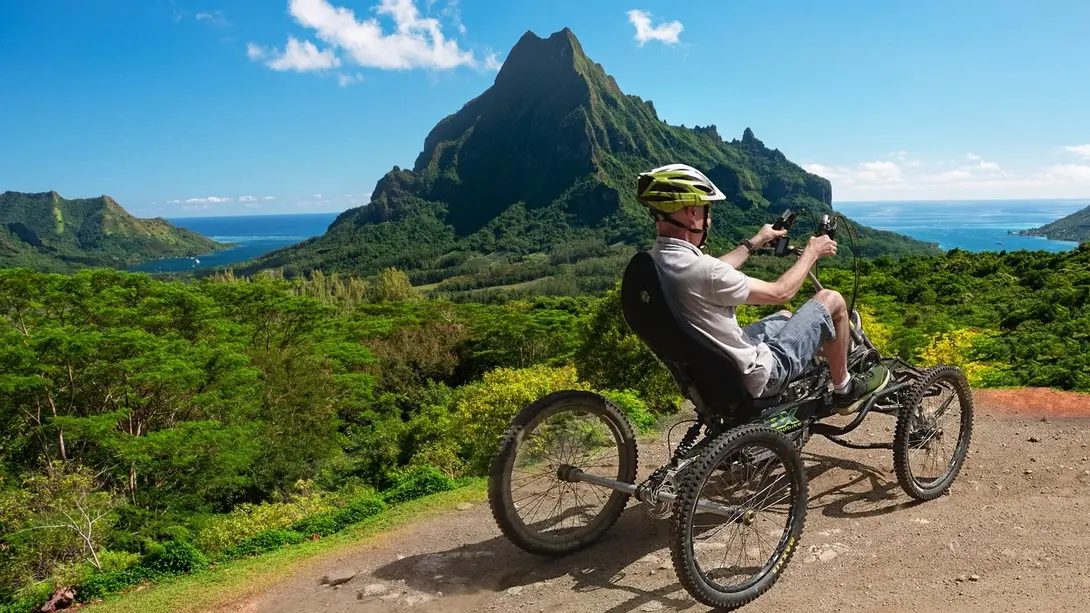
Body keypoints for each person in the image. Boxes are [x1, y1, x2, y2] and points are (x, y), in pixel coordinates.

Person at [637, 163, 891, 414]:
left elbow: (712, 270)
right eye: (707, 209)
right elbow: (781, 293)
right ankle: (844, 389)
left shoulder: (660, 261)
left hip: (710, 374)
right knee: (831, 299)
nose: (709, 218)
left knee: (785, 319)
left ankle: (821, 360)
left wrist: (755, 242)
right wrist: (812, 252)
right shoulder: (706, 272)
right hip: (754, 378)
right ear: (692, 212)